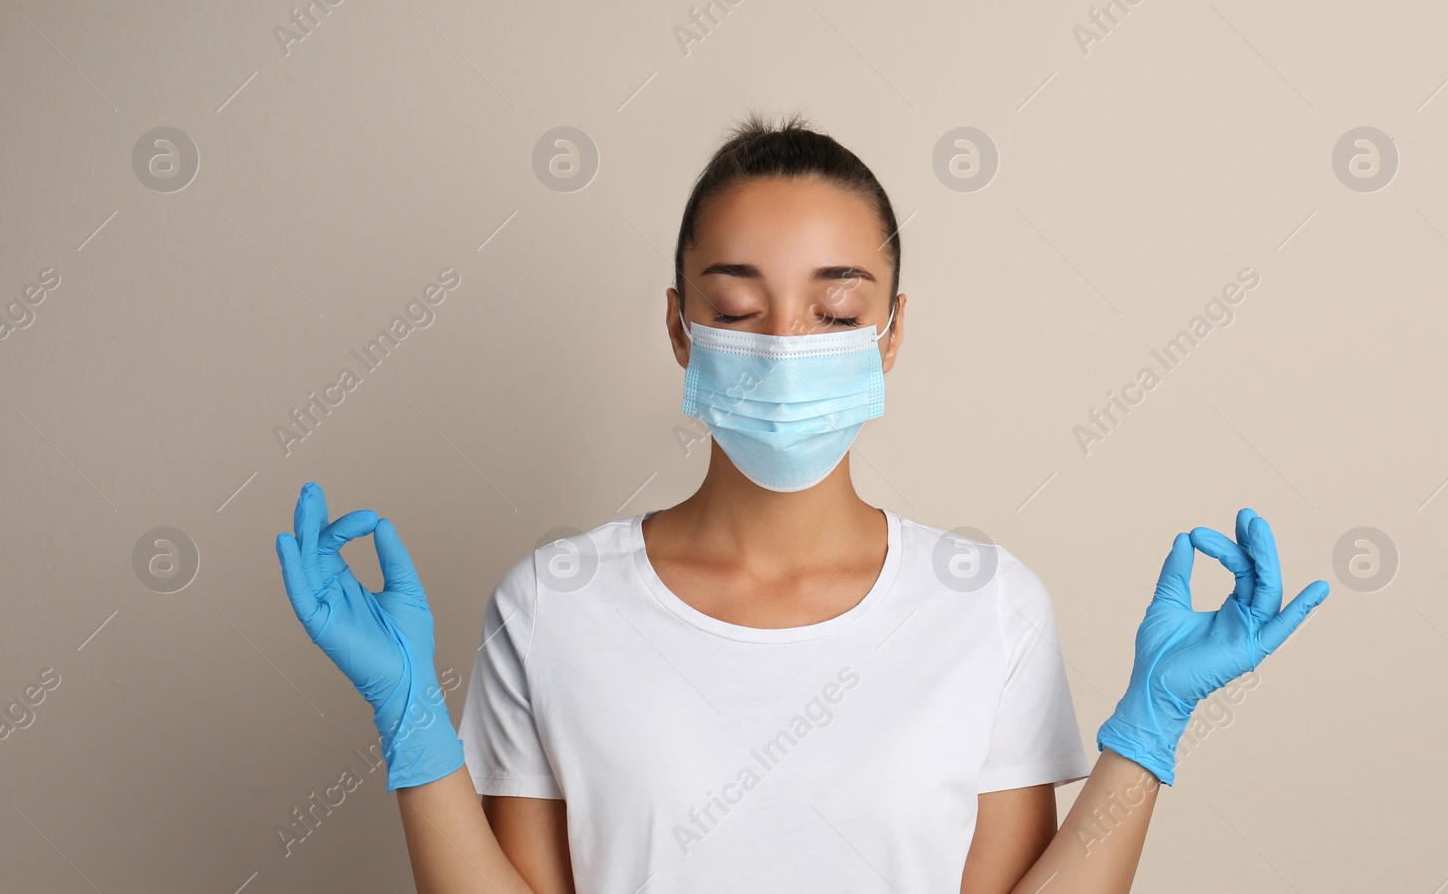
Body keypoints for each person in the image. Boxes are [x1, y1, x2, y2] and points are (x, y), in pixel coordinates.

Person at [274, 111, 1330, 893]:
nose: (783, 345)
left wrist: (1150, 726)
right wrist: (413, 723)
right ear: (682, 326)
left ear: (892, 329)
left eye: (834, 308)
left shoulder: (986, 603)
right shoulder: (555, 602)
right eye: (738, 306)